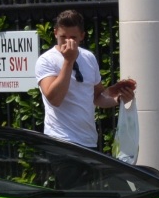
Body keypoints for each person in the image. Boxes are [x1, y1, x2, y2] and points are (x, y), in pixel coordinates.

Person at [35, 9, 136, 149]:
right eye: (63, 37)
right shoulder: (46, 60)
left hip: (88, 141)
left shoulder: (88, 57)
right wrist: (68, 61)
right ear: (55, 33)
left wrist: (119, 97)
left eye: (73, 38)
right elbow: (55, 99)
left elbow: (97, 97)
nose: (67, 42)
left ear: (82, 36)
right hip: (60, 141)